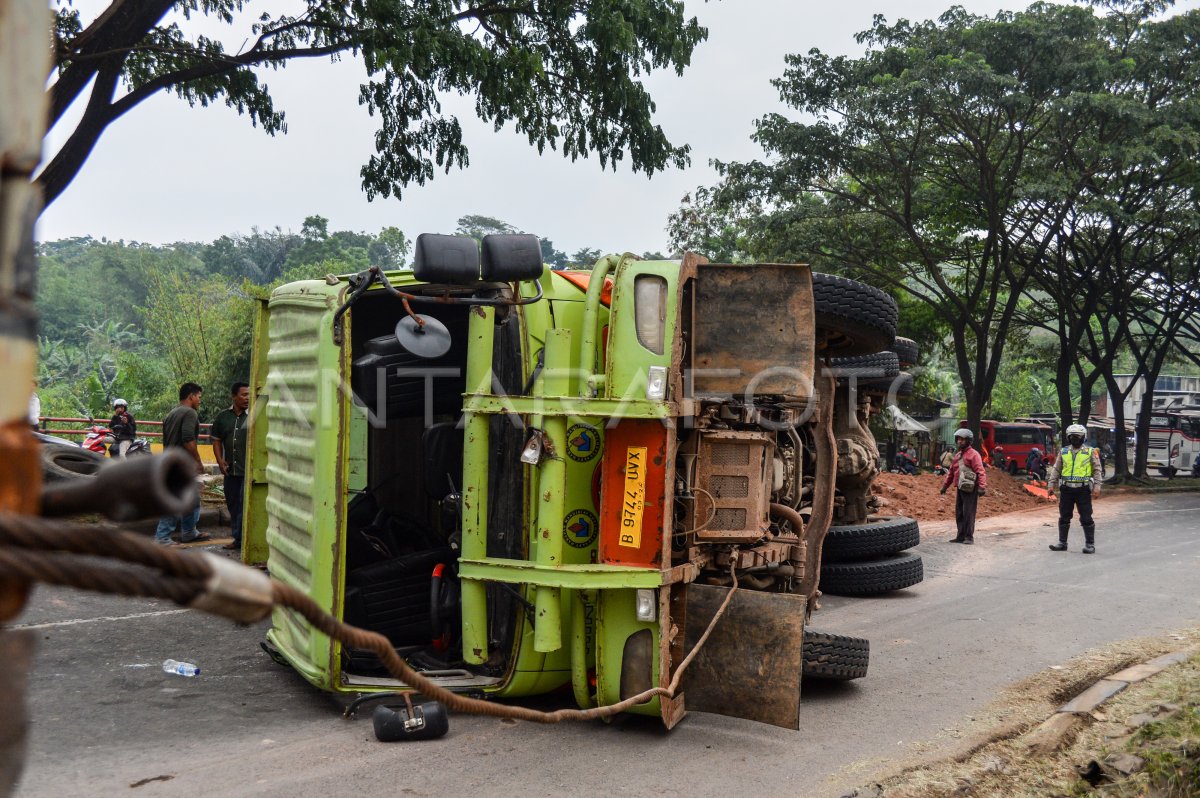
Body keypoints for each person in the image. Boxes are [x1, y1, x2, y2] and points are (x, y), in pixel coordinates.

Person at [154, 382, 210, 546]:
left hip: (171, 462)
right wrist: (198, 461)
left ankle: (189, 531)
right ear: (191, 396)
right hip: (181, 464)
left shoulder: (171, 413)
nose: (200, 401)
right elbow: (188, 439)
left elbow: (166, 441)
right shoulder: (190, 413)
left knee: (192, 496)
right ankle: (162, 538)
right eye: (199, 397)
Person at [1046, 423, 1102, 554]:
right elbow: (1056, 468)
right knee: (1064, 516)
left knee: (1086, 517)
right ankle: (1062, 543)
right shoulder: (1064, 451)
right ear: (1068, 438)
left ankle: (1090, 544)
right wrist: (1051, 484)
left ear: (1083, 437)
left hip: (1083, 490)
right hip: (1066, 489)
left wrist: (1097, 487)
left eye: (1077, 437)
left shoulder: (1090, 452)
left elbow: (1097, 470)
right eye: (1072, 437)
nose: (1075, 439)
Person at [210, 382, 250, 553]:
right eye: (244, 395)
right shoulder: (223, 417)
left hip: (248, 471)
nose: (247, 398)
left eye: (249, 395)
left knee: (244, 505)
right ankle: (237, 537)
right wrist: (220, 460)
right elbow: (216, 439)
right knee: (233, 504)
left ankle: (244, 540)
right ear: (233, 396)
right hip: (230, 470)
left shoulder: (255, 415)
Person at [940, 428, 987, 544]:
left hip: (971, 489)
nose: (959, 441)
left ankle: (969, 537)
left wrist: (982, 487)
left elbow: (981, 471)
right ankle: (960, 536)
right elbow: (951, 473)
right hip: (961, 488)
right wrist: (945, 486)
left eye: (962, 439)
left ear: (968, 441)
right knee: (959, 512)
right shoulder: (957, 456)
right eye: (958, 439)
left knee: (968, 513)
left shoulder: (974, 455)